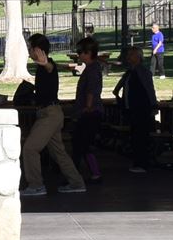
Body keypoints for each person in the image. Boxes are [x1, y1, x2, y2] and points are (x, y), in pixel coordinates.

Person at [17, 32, 86, 198]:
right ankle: (77, 183)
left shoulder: (48, 65)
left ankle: (36, 185)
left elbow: (50, 68)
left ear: (38, 50)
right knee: (59, 153)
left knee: (30, 148)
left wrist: (45, 63)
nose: (29, 51)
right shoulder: (41, 68)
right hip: (50, 114)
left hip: (50, 115)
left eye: (30, 48)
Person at [69, 34, 108, 184]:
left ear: (89, 53)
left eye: (81, 52)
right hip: (89, 111)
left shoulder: (92, 70)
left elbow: (91, 90)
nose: (79, 55)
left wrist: (88, 107)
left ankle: (76, 175)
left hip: (90, 112)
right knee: (83, 145)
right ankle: (92, 172)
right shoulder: (91, 68)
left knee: (81, 144)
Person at [114, 39, 156, 173]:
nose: (128, 57)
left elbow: (149, 89)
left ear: (138, 57)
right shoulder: (130, 72)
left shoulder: (142, 72)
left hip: (141, 108)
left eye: (131, 55)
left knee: (141, 136)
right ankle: (138, 162)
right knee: (135, 136)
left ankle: (143, 164)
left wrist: (153, 105)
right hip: (132, 109)